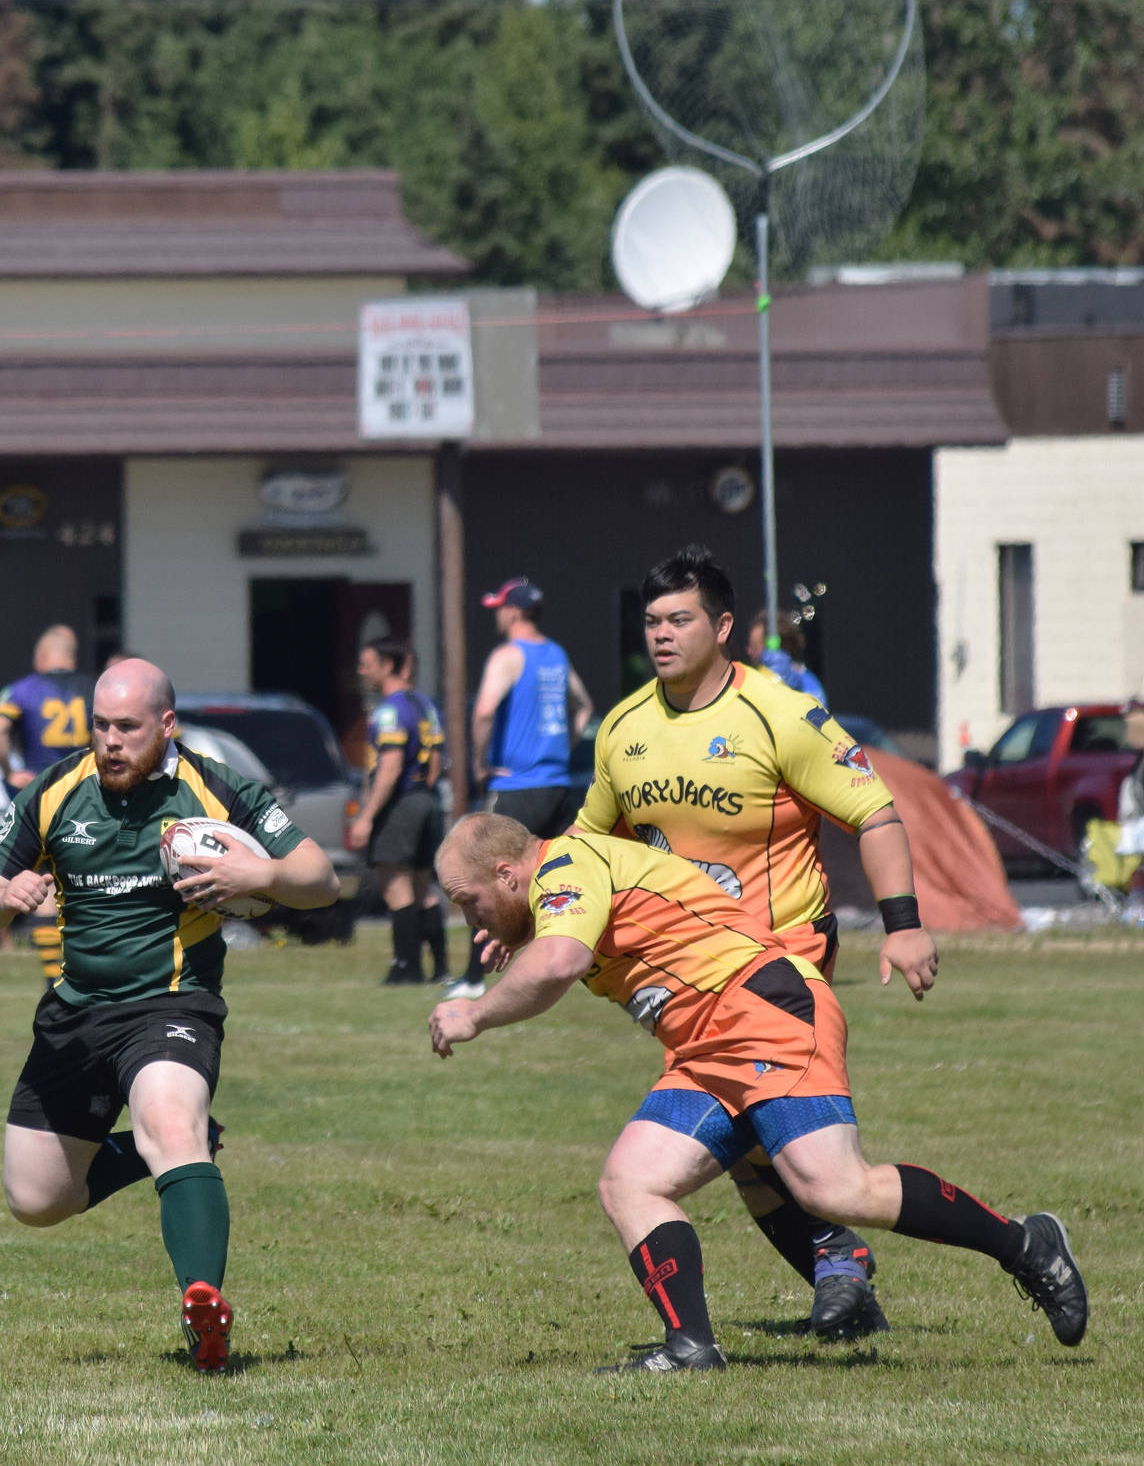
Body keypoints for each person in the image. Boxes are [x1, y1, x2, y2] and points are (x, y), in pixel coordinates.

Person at [428, 813, 1086, 1371]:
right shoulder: (556, 884)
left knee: (833, 1189)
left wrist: (474, 1012)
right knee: (630, 1179)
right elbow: (561, 942)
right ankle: (690, 1347)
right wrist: (529, 930)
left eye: (467, 901)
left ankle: (1026, 1244)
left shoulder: (565, 865)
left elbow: (562, 961)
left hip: (764, 1011)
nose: (469, 918)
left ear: (507, 875)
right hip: (709, 1048)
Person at [573, 545, 938, 1341]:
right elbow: (586, 844)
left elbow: (875, 813)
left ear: (724, 626)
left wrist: (903, 923)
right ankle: (841, 1266)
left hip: (784, 960)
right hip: (698, 975)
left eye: (680, 619)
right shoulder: (624, 726)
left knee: (763, 1137)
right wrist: (532, 917)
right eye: (651, 621)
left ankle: (850, 1260)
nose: (662, 634)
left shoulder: (779, 713)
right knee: (749, 1145)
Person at [0, 657, 338, 1373]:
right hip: (74, 1013)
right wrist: (3, 895)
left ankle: (204, 1310)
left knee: (170, 1121)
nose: (110, 740)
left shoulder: (218, 786)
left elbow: (319, 878)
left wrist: (254, 875)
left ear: (166, 725)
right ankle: (176, 1146)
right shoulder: (55, 790)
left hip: (170, 1005)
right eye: (100, 724)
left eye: (127, 727)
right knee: (36, 1197)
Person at [464, 577, 593, 997]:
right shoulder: (555, 654)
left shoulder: (508, 655)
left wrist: (480, 763)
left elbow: (483, 712)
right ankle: (558, 964)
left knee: (484, 876)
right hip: (557, 785)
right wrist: (560, 749)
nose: (497, 616)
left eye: (499, 608)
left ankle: (473, 978)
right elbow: (584, 706)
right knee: (554, 879)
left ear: (515, 611)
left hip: (517, 784)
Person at [0, 625, 93, 987]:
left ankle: (54, 981)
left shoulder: (22, 689)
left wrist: (10, 770)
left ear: (41, 656)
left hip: (41, 795)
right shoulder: (95, 688)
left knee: (45, 882)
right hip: (87, 792)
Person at [344, 637, 448, 986]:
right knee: (423, 887)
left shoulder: (389, 710)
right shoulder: (425, 705)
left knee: (396, 885)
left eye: (367, 663)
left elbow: (389, 767)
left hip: (400, 802)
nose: (362, 670)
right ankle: (441, 968)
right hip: (427, 799)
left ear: (388, 665)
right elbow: (435, 762)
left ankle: (407, 967)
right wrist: (426, 795)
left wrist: (368, 815)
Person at [746, 610, 829, 704]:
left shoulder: (809, 684)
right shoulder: (752, 683)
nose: (748, 651)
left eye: (755, 647)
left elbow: (820, 716)